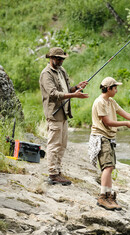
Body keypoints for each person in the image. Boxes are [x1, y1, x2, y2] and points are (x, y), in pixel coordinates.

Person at [89, 77, 130, 211]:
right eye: (115, 88)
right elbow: (107, 122)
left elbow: (126, 115)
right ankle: (103, 197)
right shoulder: (100, 102)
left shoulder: (111, 101)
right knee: (107, 167)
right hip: (101, 137)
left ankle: (109, 196)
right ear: (108, 89)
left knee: (110, 167)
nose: (117, 90)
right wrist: (125, 124)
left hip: (109, 138)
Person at [39, 47, 89, 186]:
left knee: (62, 144)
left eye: (62, 59)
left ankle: (58, 171)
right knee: (54, 144)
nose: (61, 61)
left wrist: (76, 87)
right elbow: (54, 94)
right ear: (51, 58)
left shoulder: (62, 71)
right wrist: (74, 95)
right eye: (59, 58)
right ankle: (52, 174)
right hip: (54, 113)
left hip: (64, 113)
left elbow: (67, 90)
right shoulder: (46, 74)